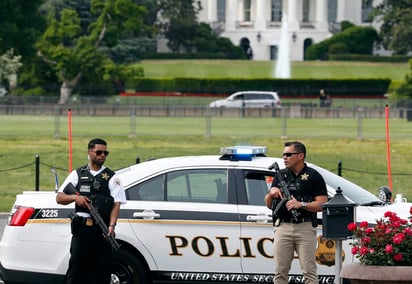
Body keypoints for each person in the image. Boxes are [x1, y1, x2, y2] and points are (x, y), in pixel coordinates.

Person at [56, 138, 126, 284]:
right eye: (99, 152)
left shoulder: (112, 178)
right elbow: (59, 198)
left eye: (105, 153)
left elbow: (116, 205)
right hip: (82, 230)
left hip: (103, 231)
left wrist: (112, 226)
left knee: (102, 271)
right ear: (89, 152)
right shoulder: (78, 174)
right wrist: (75, 199)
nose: (102, 155)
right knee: (76, 270)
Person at [265, 141, 328, 284]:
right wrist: (271, 193)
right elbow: (269, 205)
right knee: (280, 271)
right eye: (283, 155)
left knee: (309, 271)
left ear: (301, 156)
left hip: (304, 227)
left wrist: (301, 204)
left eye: (288, 154)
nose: (285, 158)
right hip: (283, 227)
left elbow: (322, 203)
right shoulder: (280, 175)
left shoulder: (313, 176)